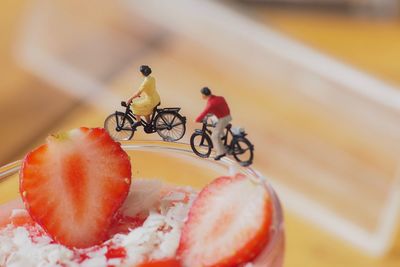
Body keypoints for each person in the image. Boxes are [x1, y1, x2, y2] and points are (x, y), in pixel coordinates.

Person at [195, 87, 232, 160]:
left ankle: (221, 153)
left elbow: (205, 112)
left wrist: (197, 119)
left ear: (204, 95)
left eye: (202, 95)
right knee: (214, 122)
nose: (202, 96)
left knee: (214, 136)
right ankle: (222, 136)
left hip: (223, 119)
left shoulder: (211, 103)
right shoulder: (220, 98)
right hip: (227, 116)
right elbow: (217, 108)